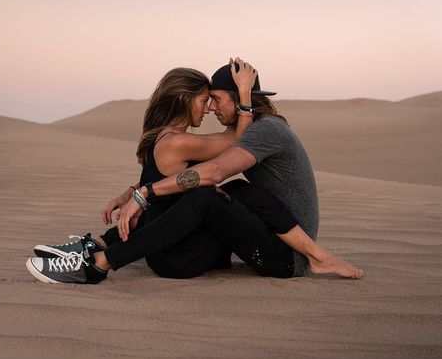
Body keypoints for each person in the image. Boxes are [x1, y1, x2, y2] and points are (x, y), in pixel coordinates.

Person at [26, 60, 363, 283]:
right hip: (261, 241)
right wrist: (137, 192)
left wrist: (142, 194)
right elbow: (198, 171)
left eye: (216, 99)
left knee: (217, 192)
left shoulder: (266, 130)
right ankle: (94, 250)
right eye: (207, 101)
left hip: (289, 256)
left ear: (236, 97)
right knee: (224, 192)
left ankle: (98, 261)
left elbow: (215, 168)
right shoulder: (195, 136)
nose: (212, 107)